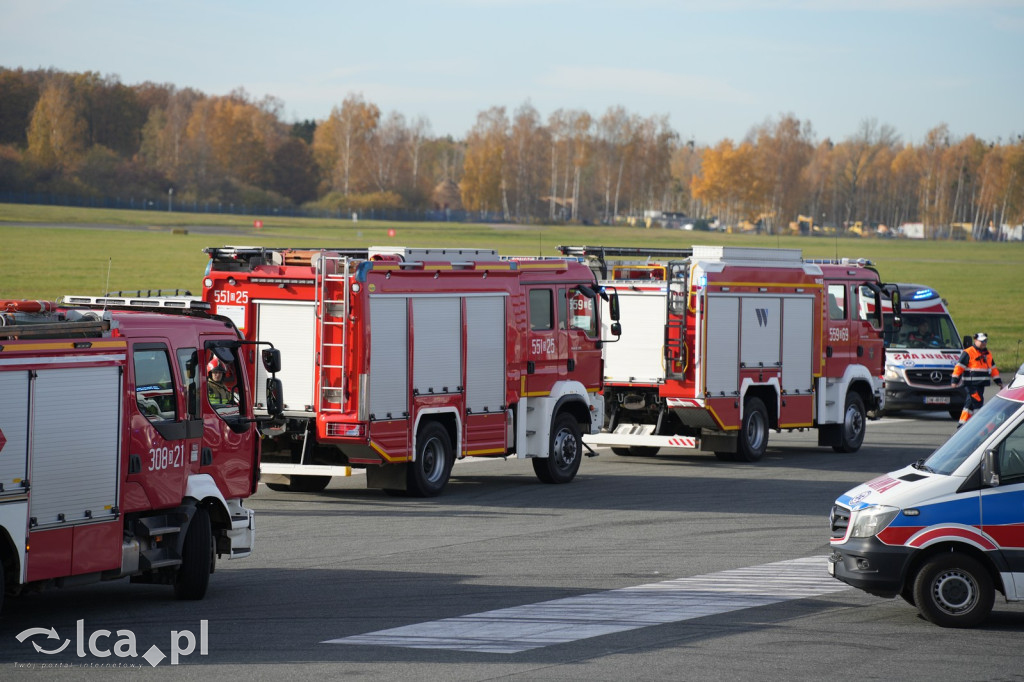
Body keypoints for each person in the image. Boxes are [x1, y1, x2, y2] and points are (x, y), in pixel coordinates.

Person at [951, 332, 1003, 426]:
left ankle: (963, 424)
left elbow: (993, 368)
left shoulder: (987, 354)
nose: (984, 343)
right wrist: (954, 380)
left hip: (981, 384)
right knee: (977, 403)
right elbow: (959, 367)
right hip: (971, 384)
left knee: (970, 405)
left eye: (985, 341)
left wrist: (998, 382)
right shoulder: (968, 352)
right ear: (975, 340)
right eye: (982, 341)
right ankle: (979, 424)